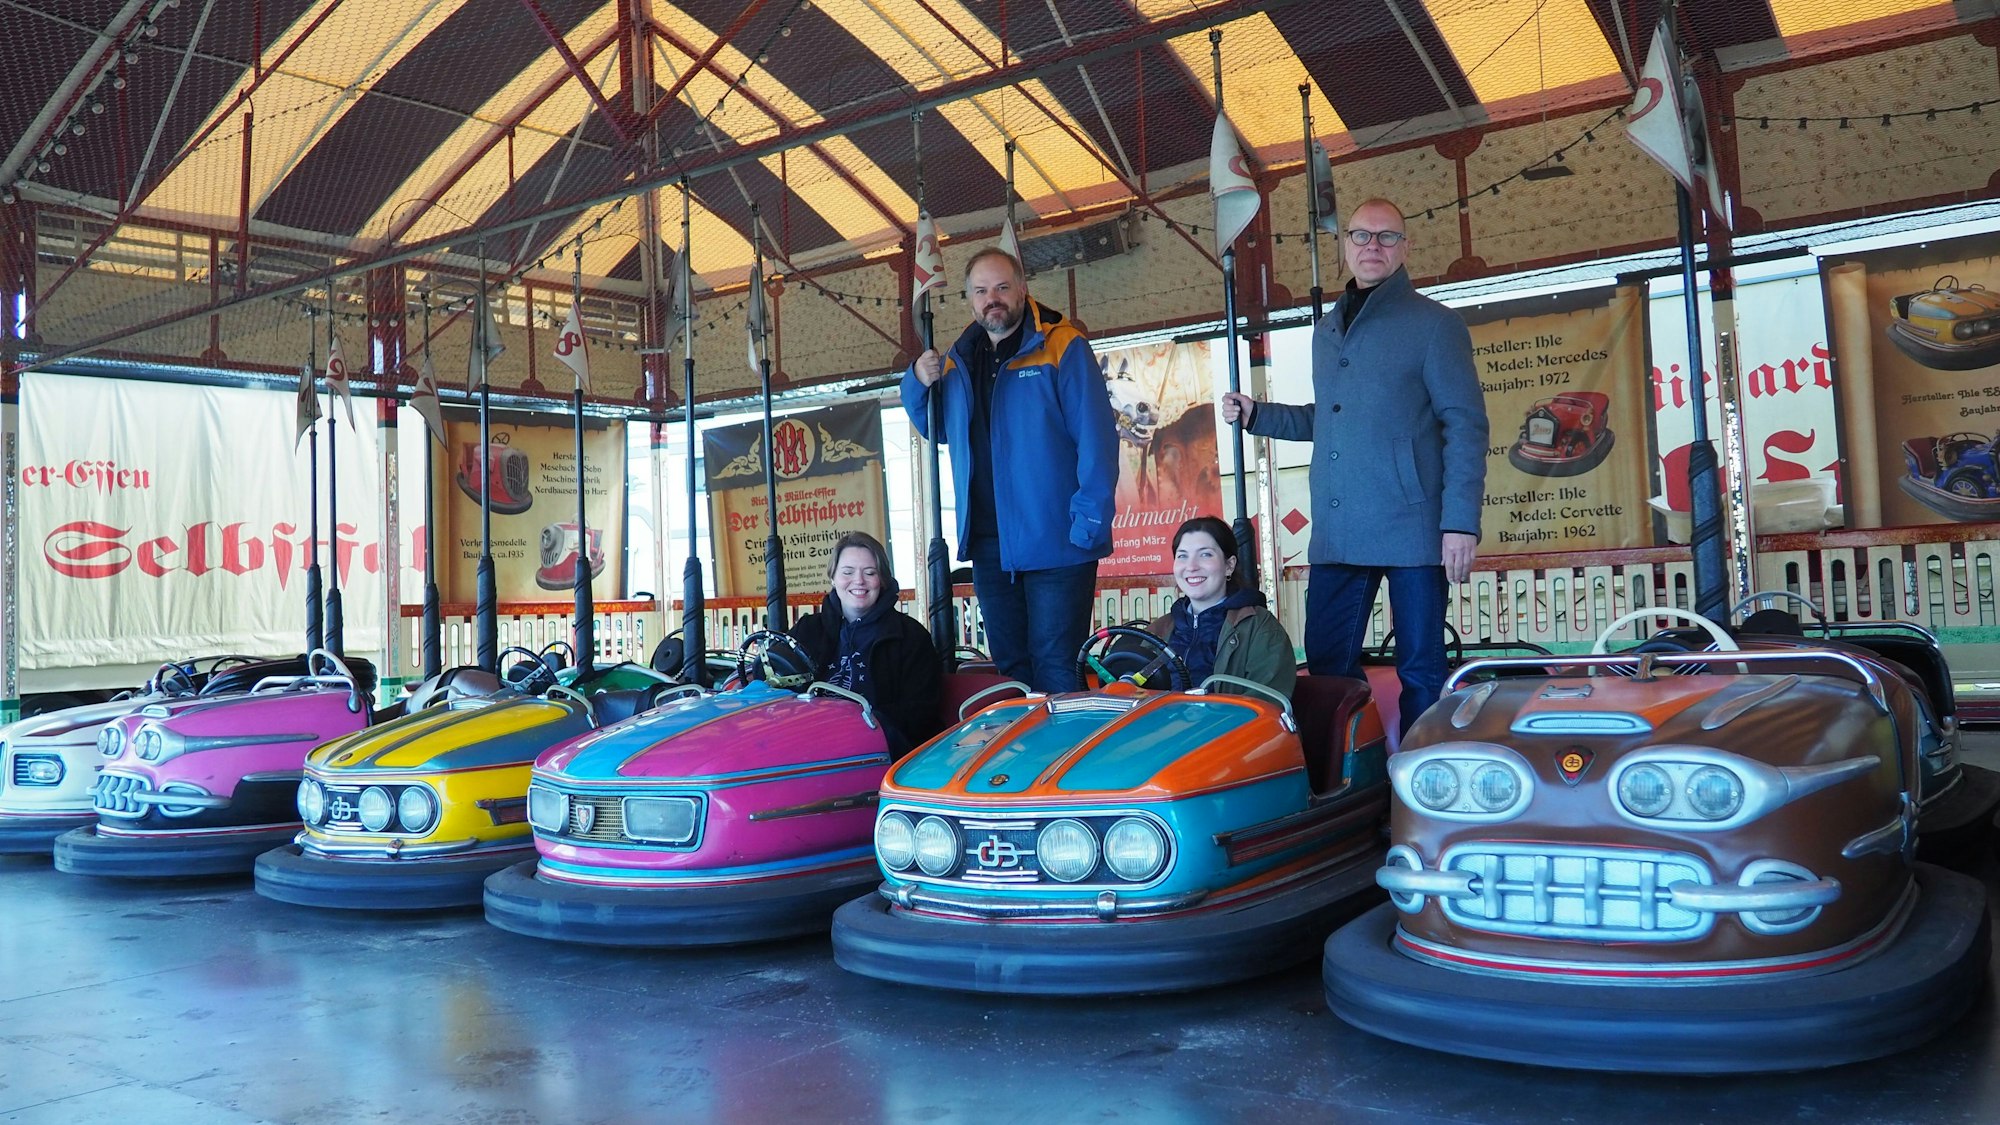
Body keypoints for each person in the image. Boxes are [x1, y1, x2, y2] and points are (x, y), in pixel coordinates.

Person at [1220, 198, 1487, 733]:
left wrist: (1459, 522)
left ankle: (1420, 785)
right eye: (1362, 236)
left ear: (1405, 248)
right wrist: (1258, 415)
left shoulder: (1435, 325)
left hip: (1413, 527)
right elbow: (1333, 419)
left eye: (1387, 237)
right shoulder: (1327, 330)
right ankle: (1350, 781)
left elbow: (1466, 424)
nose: (1373, 247)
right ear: (1344, 246)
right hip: (1340, 527)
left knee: (1421, 670)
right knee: (1327, 666)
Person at [902, 247, 1118, 694]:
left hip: (1058, 543)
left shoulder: (1063, 344)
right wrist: (916, 384)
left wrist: (1088, 524)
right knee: (1013, 674)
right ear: (969, 300)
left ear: (1022, 288)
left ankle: (1063, 764)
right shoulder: (958, 361)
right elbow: (940, 430)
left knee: (1057, 668)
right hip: (990, 548)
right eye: (981, 291)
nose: (992, 299)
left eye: (1001, 287)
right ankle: (1025, 765)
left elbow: (1097, 438)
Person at [785, 531, 943, 757]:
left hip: (876, 749)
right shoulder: (808, 629)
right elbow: (773, 677)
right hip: (803, 740)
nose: (858, 581)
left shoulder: (910, 637)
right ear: (833, 578)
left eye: (870, 573)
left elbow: (919, 713)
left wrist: (852, 726)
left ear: (882, 580)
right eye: (847, 572)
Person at [1142, 517, 1295, 700]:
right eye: (1182, 556)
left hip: (1230, 727)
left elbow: (1268, 702)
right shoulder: (1158, 630)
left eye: (1205, 554)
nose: (1191, 567)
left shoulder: (1260, 627)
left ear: (1229, 565)